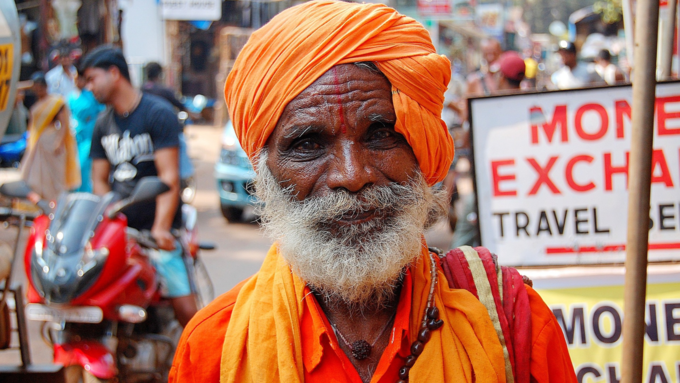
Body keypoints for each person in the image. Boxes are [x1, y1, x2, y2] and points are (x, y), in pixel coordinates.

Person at [170, 2, 576, 383]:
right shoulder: (213, 351)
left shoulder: (512, 320)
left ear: (420, 148)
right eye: (308, 143)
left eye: (382, 134)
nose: (352, 175)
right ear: (265, 169)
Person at [80, 46, 198, 327]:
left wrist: (160, 227)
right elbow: (98, 178)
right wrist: (108, 214)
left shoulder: (157, 114)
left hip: (155, 230)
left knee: (188, 312)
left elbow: (169, 177)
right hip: (121, 232)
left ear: (114, 73)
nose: (89, 87)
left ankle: (207, 364)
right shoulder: (102, 124)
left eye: (92, 78)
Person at [20, 72, 80, 201]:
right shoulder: (37, 104)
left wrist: (59, 141)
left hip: (52, 141)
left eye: (40, 87)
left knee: (56, 177)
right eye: (35, 87)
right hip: (38, 144)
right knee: (37, 177)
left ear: (45, 86)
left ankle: (58, 203)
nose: (38, 90)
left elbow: (64, 124)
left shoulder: (56, 102)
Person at [68, 67, 105, 192]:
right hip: (75, 136)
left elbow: (102, 110)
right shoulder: (71, 97)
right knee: (73, 167)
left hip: (89, 134)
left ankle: (86, 192)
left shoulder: (91, 95)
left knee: (84, 165)